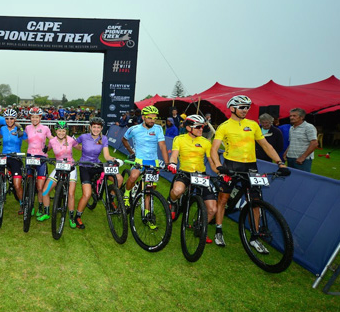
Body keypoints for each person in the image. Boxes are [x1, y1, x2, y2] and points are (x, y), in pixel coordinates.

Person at [210, 95, 289, 249]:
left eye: (247, 107)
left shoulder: (253, 125)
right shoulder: (224, 126)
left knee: (256, 201)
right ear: (232, 108)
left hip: (251, 166)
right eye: (242, 107)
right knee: (223, 199)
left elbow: (266, 146)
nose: (245, 110)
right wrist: (219, 165)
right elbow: (214, 149)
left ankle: (255, 235)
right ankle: (218, 229)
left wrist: (280, 163)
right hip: (231, 165)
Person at [167, 115, 218, 243]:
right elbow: (174, 155)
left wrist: (220, 171)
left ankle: (200, 227)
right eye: (198, 127)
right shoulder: (179, 139)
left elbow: (212, 161)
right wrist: (172, 163)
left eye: (203, 127)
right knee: (177, 191)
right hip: (185, 172)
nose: (202, 129)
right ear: (189, 128)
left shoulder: (206, 142)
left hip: (201, 174)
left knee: (212, 209)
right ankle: (172, 203)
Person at [73, 117, 122, 229]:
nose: (95, 129)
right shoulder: (84, 137)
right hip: (84, 166)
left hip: (97, 164)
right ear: (90, 127)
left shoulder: (104, 138)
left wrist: (114, 160)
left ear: (101, 128)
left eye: (98, 127)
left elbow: (106, 156)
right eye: (94, 127)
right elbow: (73, 144)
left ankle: (111, 197)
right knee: (87, 194)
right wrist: (80, 148)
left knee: (119, 178)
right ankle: (78, 216)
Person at [121, 106, 170, 208]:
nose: (152, 120)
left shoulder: (158, 128)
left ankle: (147, 214)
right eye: (149, 118)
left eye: (154, 118)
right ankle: (126, 194)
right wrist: (131, 152)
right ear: (143, 117)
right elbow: (124, 140)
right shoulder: (134, 129)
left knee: (150, 189)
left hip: (153, 161)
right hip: (140, 159)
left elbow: (162, 145)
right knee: (133, 176)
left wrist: (167, 163)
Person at [36, 121, 79, 225]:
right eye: (59, 130)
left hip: (71, 168)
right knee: (45, 191)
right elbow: (46, 150)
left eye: (64, 131)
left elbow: (81, 148)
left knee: (71, 193)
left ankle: (71, 217)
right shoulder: (52, 141)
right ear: (55, 131)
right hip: (58, 169)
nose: (61, 133)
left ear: (66, 131)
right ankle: (46, 212)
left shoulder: (71, 140)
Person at [25, 107, 53, 217]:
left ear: (40, 117)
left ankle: (40, 206)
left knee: (40, 186)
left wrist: (48, 148)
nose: (34, 119)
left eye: (37, 117)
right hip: (30, 156)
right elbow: (25, 138)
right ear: (30, 118)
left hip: (41, 157)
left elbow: (52, 139)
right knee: (29, 182)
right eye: (32, 117)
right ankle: (30, 205)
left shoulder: (45, 128)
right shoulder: (27, 128)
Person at [0, 109, 27, 214]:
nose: (9, 120)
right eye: (7, 118)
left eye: (11, 118)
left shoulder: (19, 129)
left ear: (15, 119)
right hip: (4, 156)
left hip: (15, 158)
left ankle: (23, 204)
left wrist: (21, 128)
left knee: (17, 185)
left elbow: (30, 140)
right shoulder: (2, 129)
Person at [284, 108, 318, 172]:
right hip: (290, 158)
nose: (291, 117)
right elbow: (292, 142)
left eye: (294, 116)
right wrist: (286, 153)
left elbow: (314, 143)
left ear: (302, 117)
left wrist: (303, 157)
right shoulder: (292, 128)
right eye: (290, 116)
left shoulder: (309, 127)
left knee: (302, 180)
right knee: (291, 178)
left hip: (302, 160)